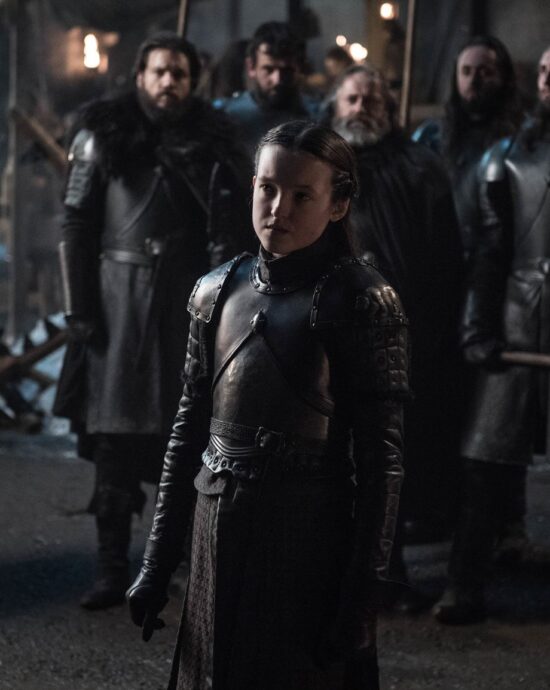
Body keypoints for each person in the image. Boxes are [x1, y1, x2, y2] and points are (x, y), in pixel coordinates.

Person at [127, 120, 409, 690]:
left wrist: (361, 600)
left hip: (305, 535)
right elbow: (188, 430)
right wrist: (156, 564)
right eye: (268, 188)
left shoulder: (362, 300)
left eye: (302, 195)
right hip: (216, 526)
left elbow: (383, 462)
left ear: (337, 204)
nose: (278, 208)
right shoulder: (214, 290)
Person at [53, 31, 251, 611]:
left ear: (192, 82)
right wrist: (80, 309)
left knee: (188, 436)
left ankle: (185, 565)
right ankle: (111, 567)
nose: (169, 82)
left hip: (187, 303)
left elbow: (228, 228)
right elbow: (76, 225)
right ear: (140, 76)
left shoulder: (211, 145)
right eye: (160, 71)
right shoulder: (102, 138)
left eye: (179, 74)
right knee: (114, 438)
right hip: (118, 303)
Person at [325, 64, 462, 605]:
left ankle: (387, 565)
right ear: (336, 107)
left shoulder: (420, 168)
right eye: (352, 100)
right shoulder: (319, 168)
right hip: (331, 330)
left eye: (372, 100)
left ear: (388, 109)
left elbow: (445, 258)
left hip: (402, 333)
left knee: (391, 454)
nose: (361, 109)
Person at [433, 45, 550, 624]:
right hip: (517, 316)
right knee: (484, 457)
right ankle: (465, 581)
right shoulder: (505, 157)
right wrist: (478, 324)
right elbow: (491, 249)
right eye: (546, 70)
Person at [413, 35, 523, 262]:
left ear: (503, 77)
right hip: (440, 257)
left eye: (484, 72)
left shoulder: (521, 140)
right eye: (466, 71)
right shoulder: (431, 137)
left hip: (499, 258)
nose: (473, 80)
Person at [213, 22, 319, 159]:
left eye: (287, 71)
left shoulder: (317, 115)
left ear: (300, 68)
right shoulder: (228, 116)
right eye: (268, 69)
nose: (277, 79)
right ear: (251, 67)